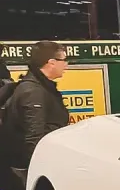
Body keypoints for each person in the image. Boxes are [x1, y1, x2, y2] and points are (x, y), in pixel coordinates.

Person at [1, 40, 69, 170]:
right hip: (31, 168)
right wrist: (43, 171)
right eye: (64, 60)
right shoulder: (32, 92)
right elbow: (34, 137)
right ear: (51, 63)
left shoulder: (41, 87)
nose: (66, 64)